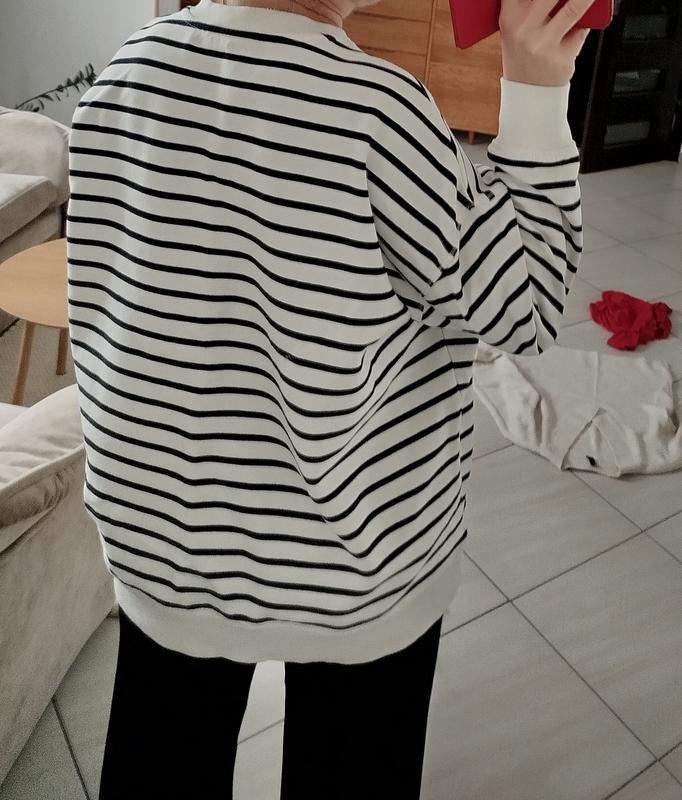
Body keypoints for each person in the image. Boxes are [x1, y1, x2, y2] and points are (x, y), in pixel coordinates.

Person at [65, 0, 595, 797]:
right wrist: (537, 90)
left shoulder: (123, 77)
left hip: (169, 551)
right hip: (358, 572)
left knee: (161, 762)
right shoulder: (379, 113)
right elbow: (525, 305)